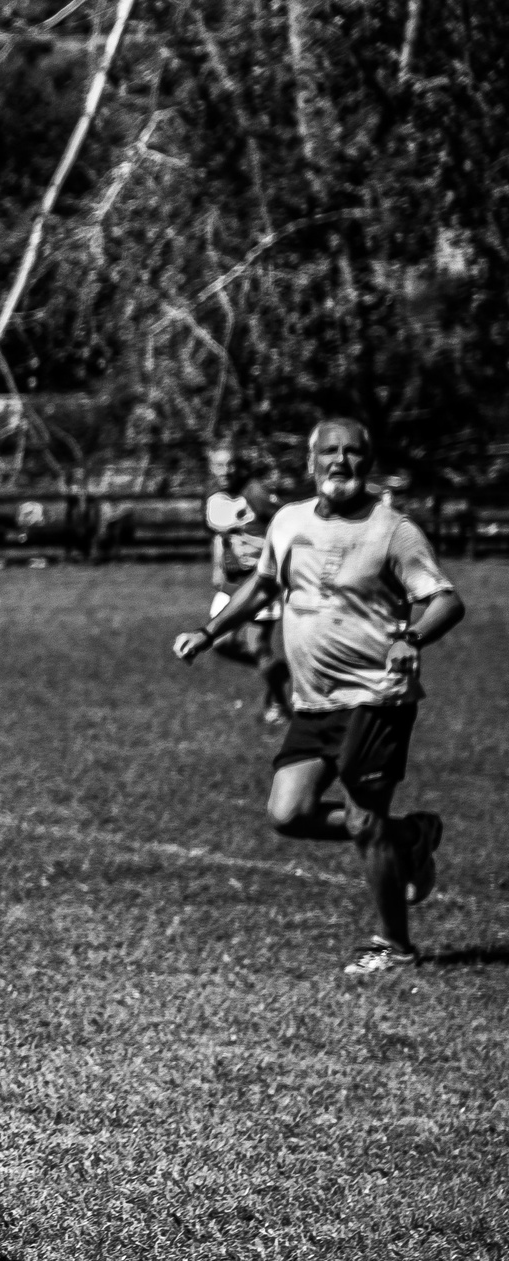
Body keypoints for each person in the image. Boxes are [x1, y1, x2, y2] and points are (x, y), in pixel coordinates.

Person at [176, 418, 463, 976]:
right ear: (310, 462)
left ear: (368, 462)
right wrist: (208, 633)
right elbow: (261, 587)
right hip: (314, 701)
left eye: (353, 453)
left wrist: (410, 637)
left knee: (361, 821)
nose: (340, 462)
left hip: (379, 697)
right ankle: (412, 835)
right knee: (289, 812)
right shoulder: (287, 521)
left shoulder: (394, 532)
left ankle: (394, 947)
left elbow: (446, 602)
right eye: (329, 452)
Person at [202, 450, 290, 725]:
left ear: (240, 466)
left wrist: (267, 552)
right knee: (219, 643)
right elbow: (220, 534)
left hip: (260, 580)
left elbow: (287, 525)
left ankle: (277, 704)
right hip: (231, 582)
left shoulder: (255, 493)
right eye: (219, 464)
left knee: (256, 643)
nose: (225, 470)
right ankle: (276, 671)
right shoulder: (212, 495)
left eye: (231, 464)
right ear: (211, 467)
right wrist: (218, 565)